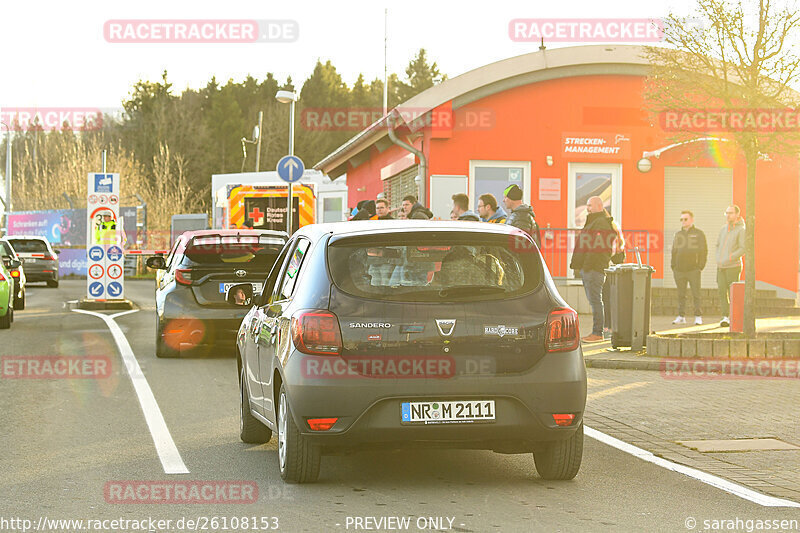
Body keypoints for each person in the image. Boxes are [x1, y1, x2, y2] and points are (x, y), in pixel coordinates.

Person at [569, 196, 614, 343]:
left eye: (590, 205)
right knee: (595, 301)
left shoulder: (600, 223)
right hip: (590, 268)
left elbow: (597, 249)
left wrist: (587, 266)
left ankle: (597, 332)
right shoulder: (595, 221)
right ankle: (597, 331)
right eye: (587, 205)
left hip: (594, 269)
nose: (587, 208)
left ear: (599, 206)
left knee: (596, 301)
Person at [671, 210, 708, 325]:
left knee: (696, 294)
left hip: (693, 270)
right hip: (679, 270)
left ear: (691, 220)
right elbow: (674, 251)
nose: (683, 221)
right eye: (681, 219)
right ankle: (681, 316)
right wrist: (673, 266)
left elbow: (704, 251)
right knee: (681, 294)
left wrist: (700, 266)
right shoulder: (678, 234)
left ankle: (698, 316)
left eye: (685, 219)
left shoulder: (699, 234)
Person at [716, 205, 745, 327]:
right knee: (722, 292)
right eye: (726, 213)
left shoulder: (741, 230)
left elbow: (743, 248)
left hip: (733, 266)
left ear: (737, 214)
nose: (728, 215)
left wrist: (730, 257)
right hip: (721, 266)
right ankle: (725, 316)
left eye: (731, 213)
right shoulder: (723, 229)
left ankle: (735, 317)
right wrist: (719, 258)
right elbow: (718, 245)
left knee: (732, 293)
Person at [602, 219, 625, 337]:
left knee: (610, 301)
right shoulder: (604, 242)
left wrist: (615, 252)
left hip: (613, 276)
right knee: (606, 301)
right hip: (606, 274)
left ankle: (610, 328)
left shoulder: (619, 245)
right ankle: (607, 326)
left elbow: (619, 260)